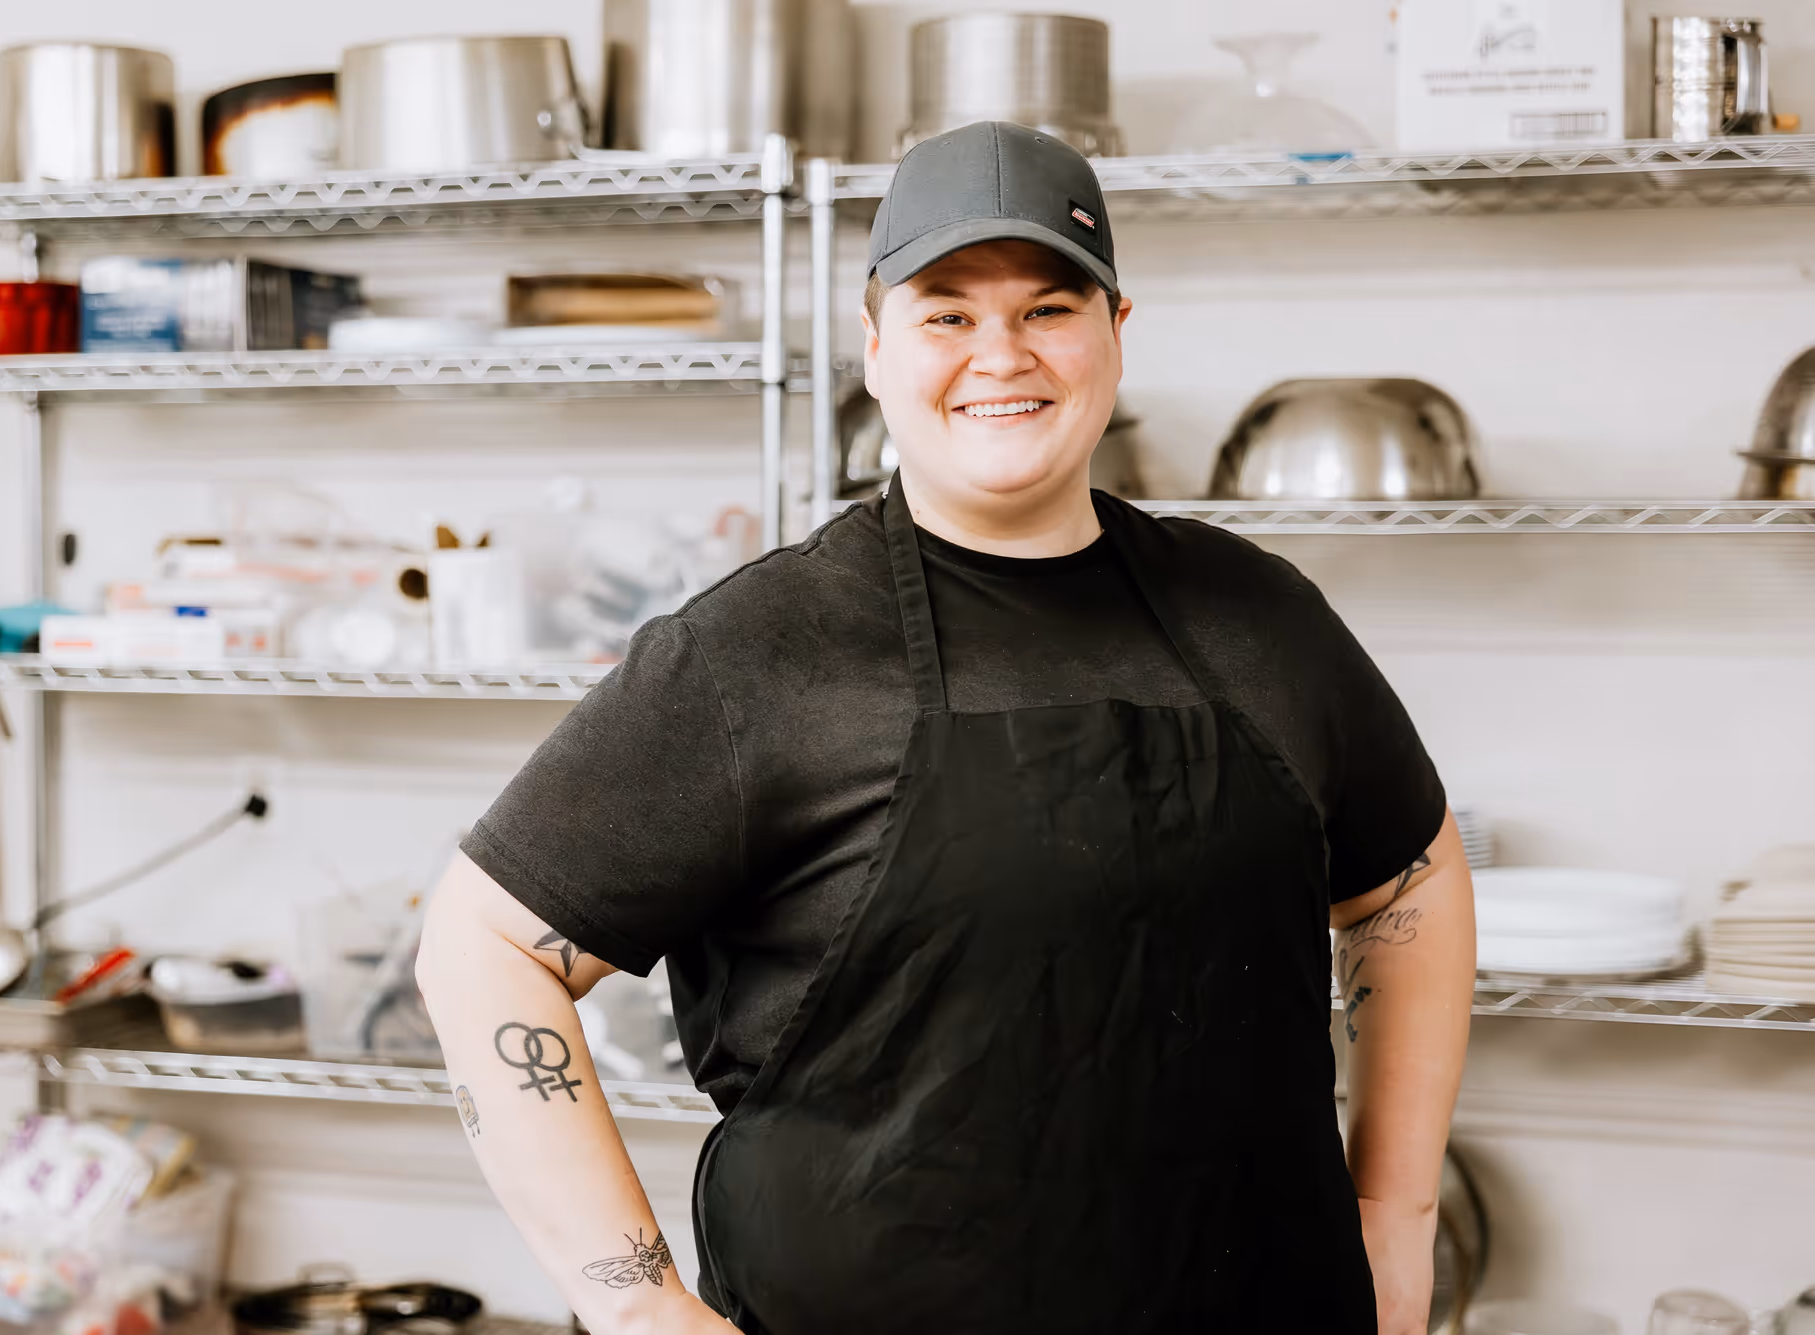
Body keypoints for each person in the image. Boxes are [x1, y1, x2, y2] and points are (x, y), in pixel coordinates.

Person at [416, 121, 1475, 1335]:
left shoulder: (1260, 617)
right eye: (947, 312)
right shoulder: (759, 653)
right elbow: (481, 945)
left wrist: (1395, 1216)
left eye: (1049, 308)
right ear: (875, 346)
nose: (1001, 354)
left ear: (1115, 337)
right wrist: (639, 1307)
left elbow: (1412, 877)